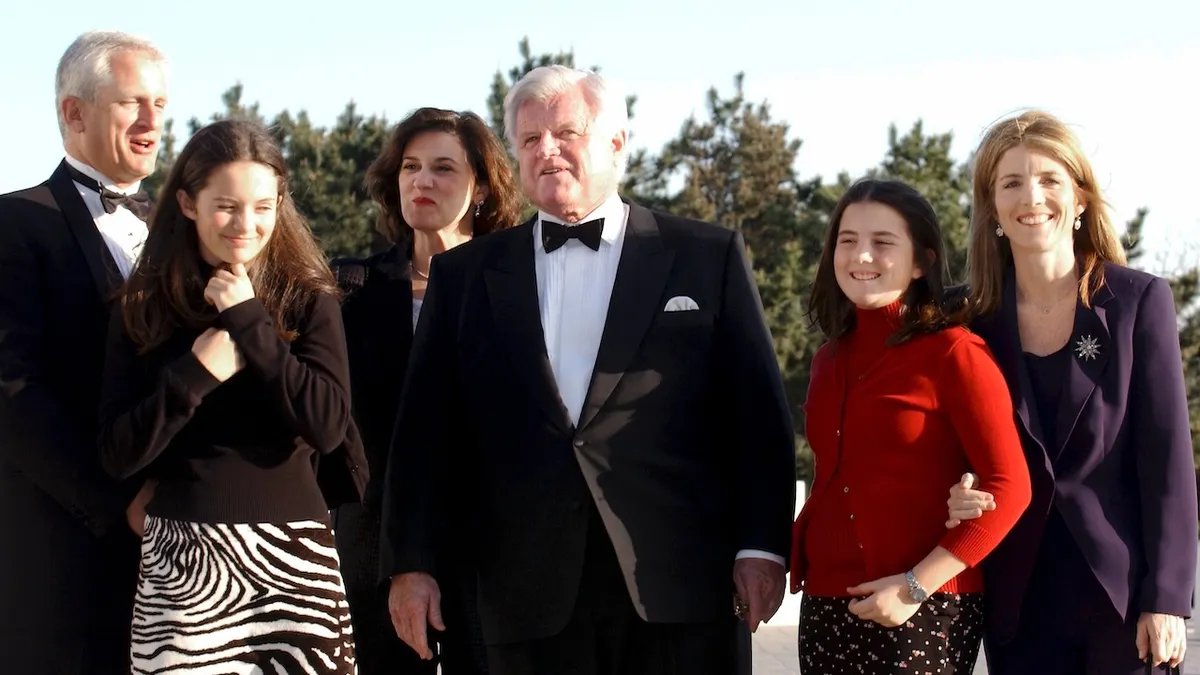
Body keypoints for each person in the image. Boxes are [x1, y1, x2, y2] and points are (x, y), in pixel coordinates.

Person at [379, 65, 796, 675]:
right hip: (524, 597)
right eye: (528, 140)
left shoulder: (706, 257)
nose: (545, 151)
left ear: (616, 144)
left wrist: (762, 547)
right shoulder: (464, 277)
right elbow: (423, 436)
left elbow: (758, 418)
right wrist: (411, 565)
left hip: (682, 590)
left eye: (565, 133)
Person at [97, 119, 365, 673]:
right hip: (183, 568)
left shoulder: (308, 297)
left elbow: (327, 424)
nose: (247, 224)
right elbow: (118, 452)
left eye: (263, 206)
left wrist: (249, 323)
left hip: (296, 563)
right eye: (227, 206)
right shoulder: (142, 305)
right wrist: (196, 373)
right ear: (189, 203)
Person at [944, 110, 1197, 674]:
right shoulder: (967, 322)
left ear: (1080, 199)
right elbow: (953, 450)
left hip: (1125, 601)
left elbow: (1168, 463)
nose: (1031, 196)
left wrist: (1169, 598)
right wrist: (958, 489)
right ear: (993, 210)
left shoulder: (1137, 303)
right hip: (1017, 601)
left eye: (1049, 180)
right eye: (1011, 182)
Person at [789, 178, 1031, 674]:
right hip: (825, 605)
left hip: (923, 607)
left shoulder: (955, 353)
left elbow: (1012, 487)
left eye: (883, 242)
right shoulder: (826, 361)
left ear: (921, 261)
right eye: (848, 240)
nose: (862, 256)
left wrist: (915, 585)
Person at [332, 107, 522, 674]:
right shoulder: (350, 287)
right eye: (411, 166)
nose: (423, 180)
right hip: (372, 547)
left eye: (444, 168)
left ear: (481, 188)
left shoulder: (519, 288)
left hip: (490, 551)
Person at [0, 30, 167, 674]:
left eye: (161, 103)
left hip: (189, 570)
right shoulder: (14, 224)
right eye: (133, 103)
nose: (153, 122)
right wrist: (112, 504)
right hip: (66, 562)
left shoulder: (186, 229)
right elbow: (13, 390)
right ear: (74, 112)